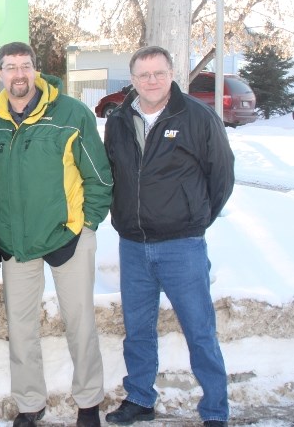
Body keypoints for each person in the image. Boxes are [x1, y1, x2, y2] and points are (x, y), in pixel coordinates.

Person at [0, 42, 113, 427]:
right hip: (17, 246)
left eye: (25, 66)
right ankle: (30, 403)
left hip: (67, 237)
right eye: (10, 67)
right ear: (0, 73)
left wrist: (87, 225)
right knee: (20, 329)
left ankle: (88, 402)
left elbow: (99, 176)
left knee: (80, 322)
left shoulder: (71, 114)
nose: (18, 74)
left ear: (36, 69)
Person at [102, 46, 235, 427]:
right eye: (143, 75)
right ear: (133, 79)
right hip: (133, 246)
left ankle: (214, 410)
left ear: (172, 73)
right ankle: (140, 398)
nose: (151, 81)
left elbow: (221, 175)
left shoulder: (197, 116)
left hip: (183, 247)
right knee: (138, 331)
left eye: (158, 73)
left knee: (199, 330)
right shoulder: (119, 121)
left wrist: (196, 218)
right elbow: (114, 174)